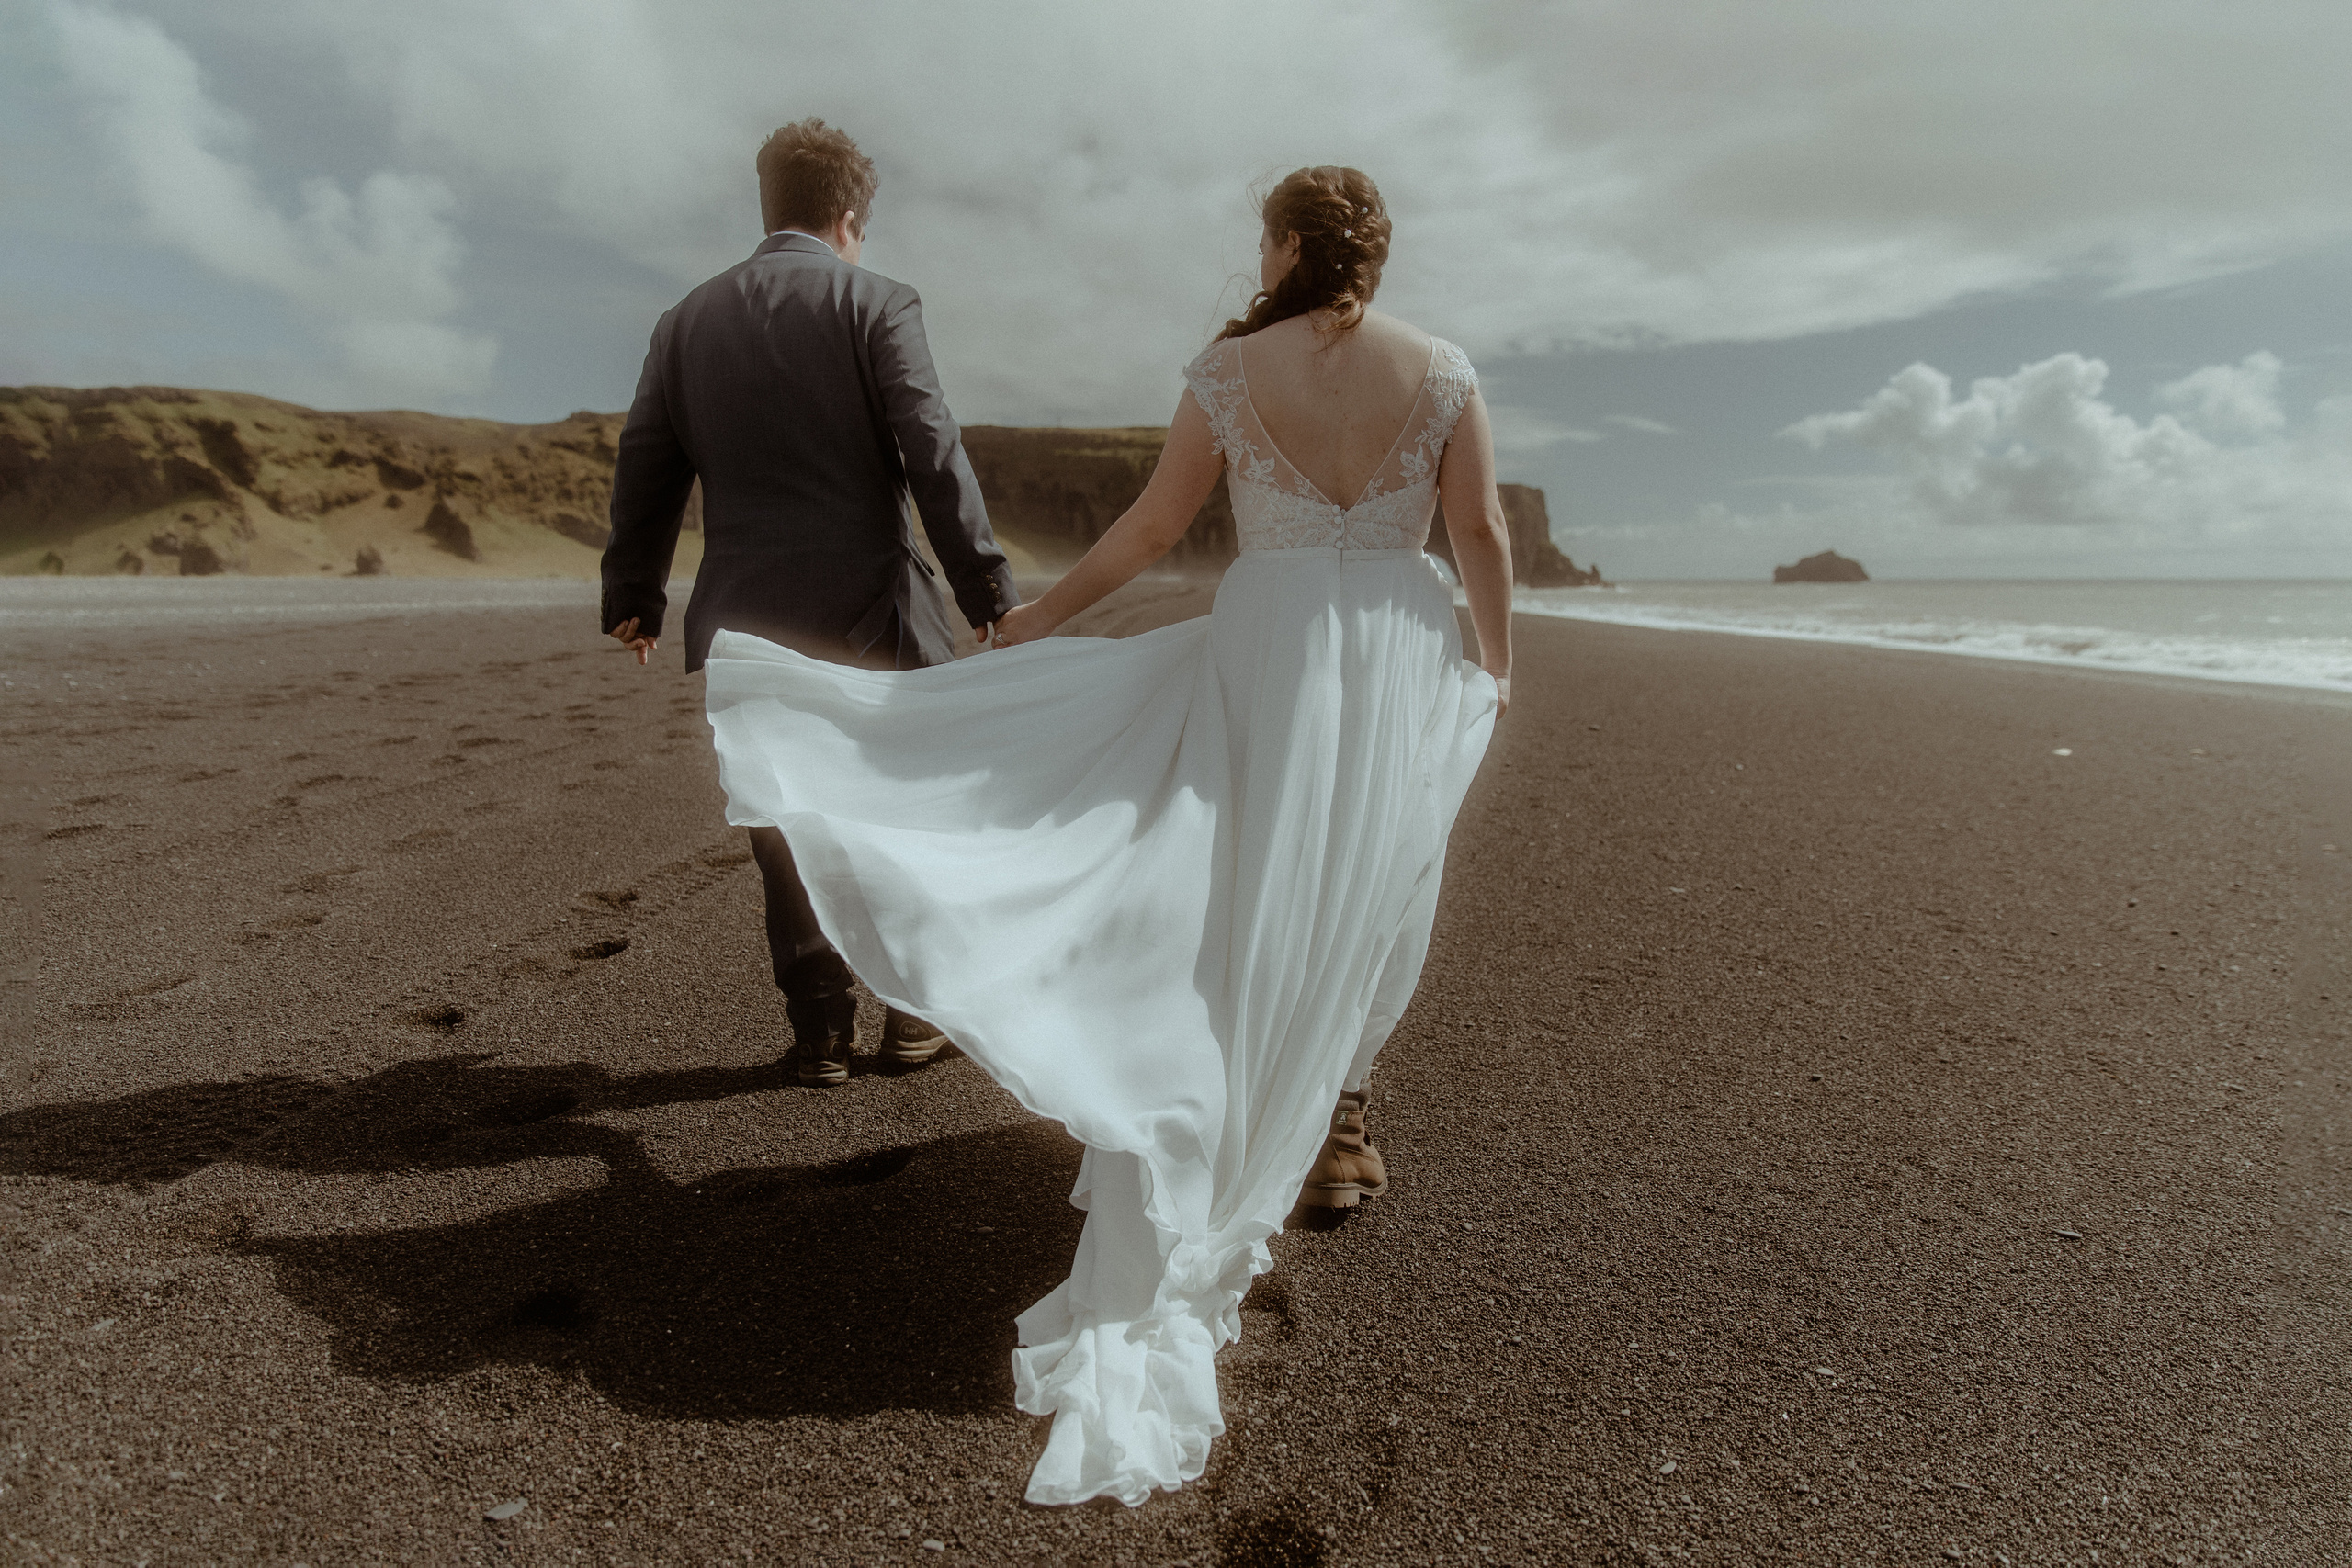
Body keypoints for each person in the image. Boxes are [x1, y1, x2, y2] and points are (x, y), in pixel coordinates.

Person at [703, 164, 1512, 1506]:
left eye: (1265, 230)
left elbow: (1152, 526)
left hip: (1270, 643)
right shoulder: (1442, 370)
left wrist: (1041, 618)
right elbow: (1476, 526)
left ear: (1291, 244)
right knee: (1372, 875)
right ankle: (1341, 1115)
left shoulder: (1227, 368)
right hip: (1400, 651)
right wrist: (1495, 658)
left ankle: (1291, 1104)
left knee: (1234, 867)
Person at [599, 118, 1021, 1084]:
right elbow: (930, 446)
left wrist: (635, 595)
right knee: (916, 810)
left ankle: (819, 1028)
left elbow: (647, 464)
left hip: (743, 615)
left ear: (772, 208)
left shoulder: (686, 321)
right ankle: (913, 1019)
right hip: (875, 607)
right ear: (848, 218)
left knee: (782, 817)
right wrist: (984, 585)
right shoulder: (876, 301)